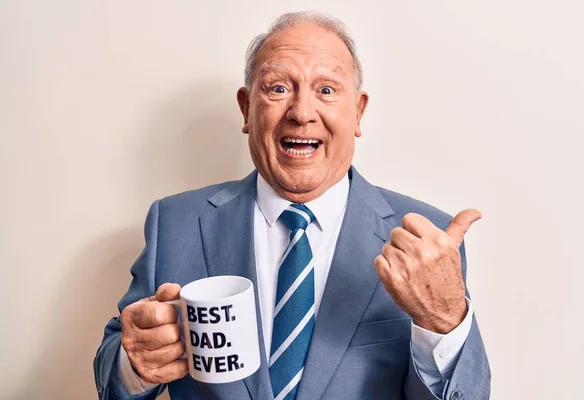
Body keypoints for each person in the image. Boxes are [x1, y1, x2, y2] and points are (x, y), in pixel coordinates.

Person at [94, 11, 491, 400]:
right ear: (246, 108)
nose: (302, 113)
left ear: (358, 111)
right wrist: (136, 365)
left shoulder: (428, 242)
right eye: (278, 88)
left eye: (327, 90)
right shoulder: (176, 222)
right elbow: (114, 375)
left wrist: (444, 320)